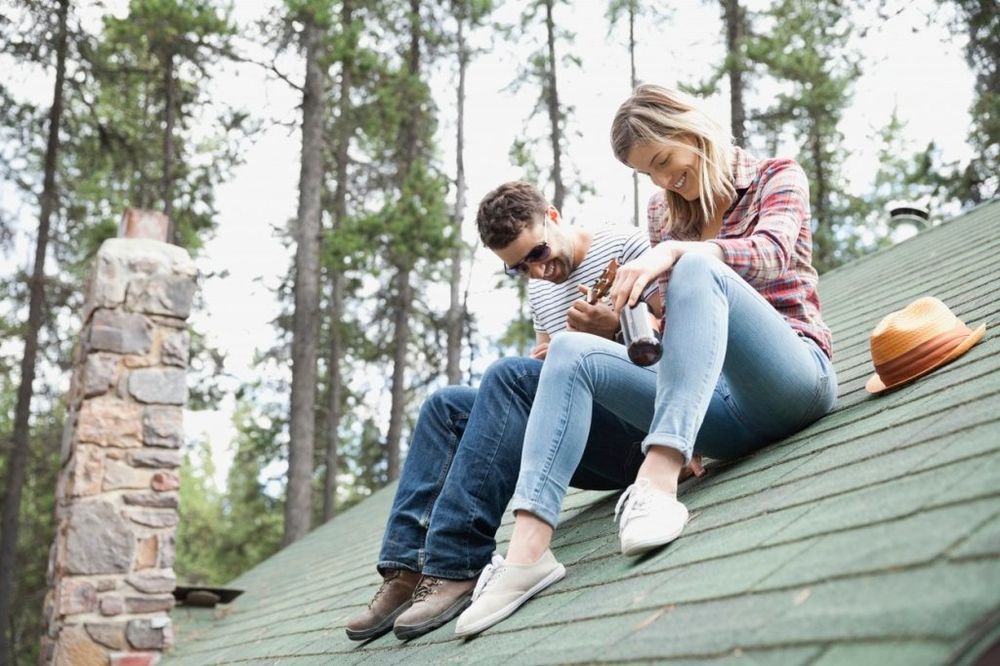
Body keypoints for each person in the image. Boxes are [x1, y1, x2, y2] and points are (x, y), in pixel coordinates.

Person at [456, 84, 839, 637]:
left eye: (663, 161)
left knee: (699, 269)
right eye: (648, 174)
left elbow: (772, 255)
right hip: (718, 418)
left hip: (793, 378)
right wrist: (624, 319)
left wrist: (682, 252)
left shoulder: (776, 175)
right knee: (567, 349)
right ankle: (527, 552)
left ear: (690, 129)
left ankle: (656, 485)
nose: (661, 182)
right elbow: (672, 326)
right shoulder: (664, 211)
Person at [345, 181, 660, 641]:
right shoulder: (543, 291)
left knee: (506, 375)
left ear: (552, 216)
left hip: (643, 434)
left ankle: (459, 563)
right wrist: (547, 356)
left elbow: (676, 342)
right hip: (582, 437)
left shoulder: (625, 246)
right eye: (519, 268)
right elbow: (548, 359)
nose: (537, 272)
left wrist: (613, 326)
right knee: (445, 406)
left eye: (537, 253)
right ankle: (407, 569)